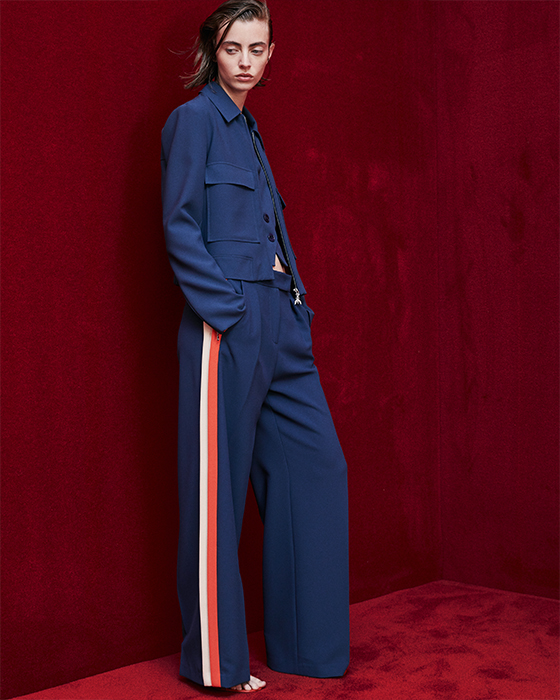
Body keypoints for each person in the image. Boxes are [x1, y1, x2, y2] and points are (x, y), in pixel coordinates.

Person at [161, 0, 349, 692]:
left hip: (283, 319)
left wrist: (290, 307)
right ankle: (218, 664)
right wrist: (228, 311)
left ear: (271, 54)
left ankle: (310, 649)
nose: (245, 61)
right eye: (233, 47)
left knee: (317, 471)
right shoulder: (192, 122)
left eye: (257, 48)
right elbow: (179, 225)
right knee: (217, 495)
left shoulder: (249, 129)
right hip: (230, 322)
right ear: (213, 49)